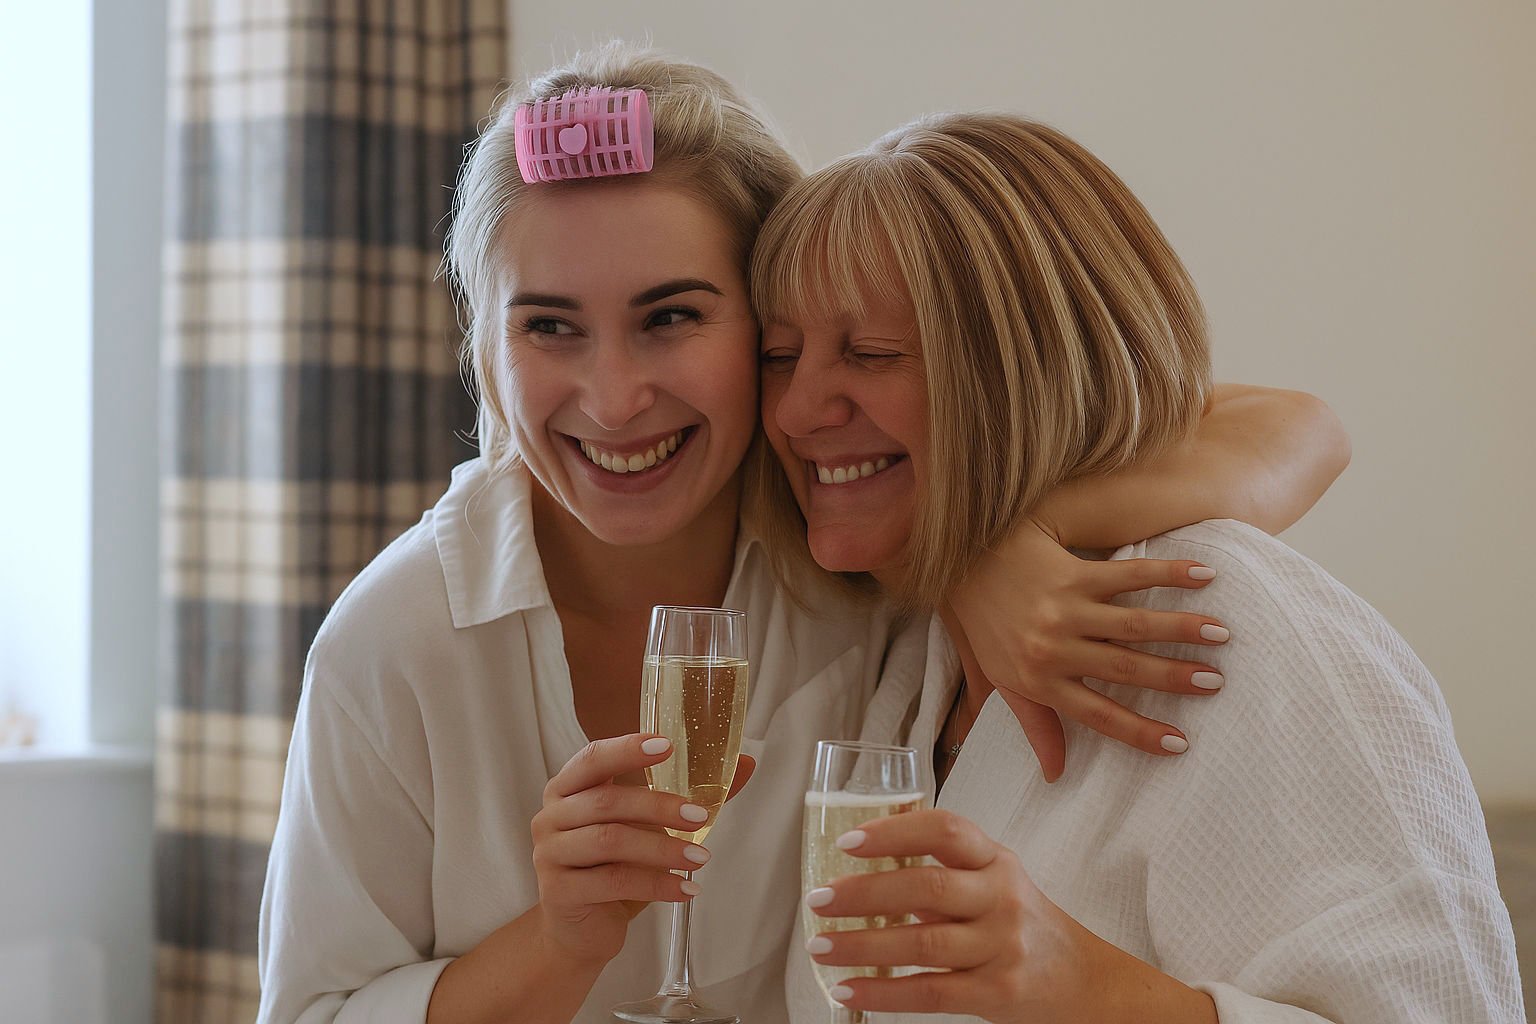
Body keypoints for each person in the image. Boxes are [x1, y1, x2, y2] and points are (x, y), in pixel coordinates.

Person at [255, 47, 1349, 1024]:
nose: (616, 395)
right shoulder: (394, 643)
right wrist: (556, 943)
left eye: (672, 315)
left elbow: (1290, 423)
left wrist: (1000, 544)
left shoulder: (857, 556)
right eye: (549, 326)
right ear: (486, 351)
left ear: (765, 318)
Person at [752, 112, 1525, 1022]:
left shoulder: (1231, 625)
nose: (797, 411)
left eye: (871, 354)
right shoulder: (911, 665)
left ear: (1027, 366)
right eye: (778, 356)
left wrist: (1085, 988)